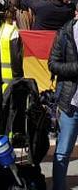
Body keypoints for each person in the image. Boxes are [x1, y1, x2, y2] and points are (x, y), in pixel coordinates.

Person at [49, 12, 78, 190]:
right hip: (71, 104)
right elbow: (52, 64)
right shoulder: (65, 32)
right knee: (62, 152)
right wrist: (76, 67)